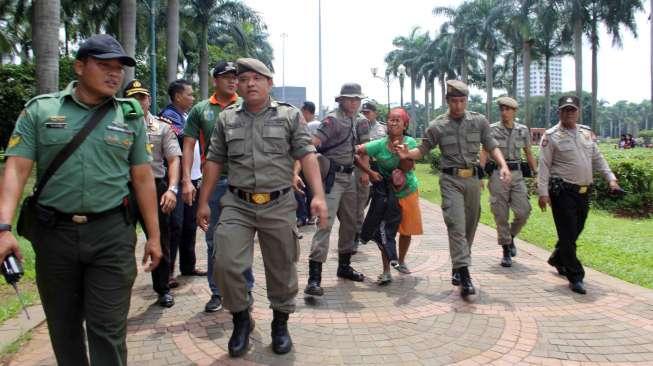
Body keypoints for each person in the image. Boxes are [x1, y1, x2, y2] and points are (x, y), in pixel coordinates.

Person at [0, 34, 161, 365]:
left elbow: (143, 179)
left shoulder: (130, 117)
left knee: (107, 328)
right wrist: (3, 228)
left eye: (119, 68)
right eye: (104, 66)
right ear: (79, 67)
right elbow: (16, 169)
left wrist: (155, 237)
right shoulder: (41, 110)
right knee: (64, 328)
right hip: (54, 234)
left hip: (111, 235)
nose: (114, 74)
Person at [196, 58, 327, 357]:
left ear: (270, 82)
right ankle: (241, 318)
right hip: (237, 204)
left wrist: (318, 195)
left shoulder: (290, 116)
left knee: (281, 268)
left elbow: (307, 155)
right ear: (238, 85)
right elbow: (214, 160)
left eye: (257, 78)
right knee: (225, 263)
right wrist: (203, 201)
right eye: (244, 79)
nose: (250, 83)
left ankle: (280, 324)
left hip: (279, 203)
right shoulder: (227, 119)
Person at [397, 80, 511, 297]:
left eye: (462, 101)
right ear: (447, 101)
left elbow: (491, 145)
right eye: (454, 101)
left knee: (470, 225)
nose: (458, 105)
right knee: (456, 224)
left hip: (473, 182)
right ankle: (465, 275)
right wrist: (407, 154)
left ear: (466, 101)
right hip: (451, 181)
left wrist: (503, 165)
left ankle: (458, 265)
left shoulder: (479, 121)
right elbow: (423, 149)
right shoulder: (437, 125)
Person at [181, 61, 255, 313]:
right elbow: (189, 145)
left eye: (236, 76)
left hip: (244, 183)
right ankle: (216, 291)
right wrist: (186, 181)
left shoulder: (247, 105)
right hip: (214, 184)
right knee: (214, 240)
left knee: (243, 239)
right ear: (216, 80)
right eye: (226, 76)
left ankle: (246, 289)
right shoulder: (201, 110)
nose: (233, 80)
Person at [537, 95, 621, 295]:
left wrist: (611, 178)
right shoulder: (551, 136)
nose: (569, 113)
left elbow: (598, 158)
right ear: (559, 112)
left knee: (576, 230)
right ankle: (575, 276)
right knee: (567, 235)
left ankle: (558, 258)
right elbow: (544, 166)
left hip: (584, 192)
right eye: (565, 110)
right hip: (563, 192)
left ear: (578, 112)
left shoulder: (586, 133)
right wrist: (543, 193)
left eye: (572, 110)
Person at [304, 83, 370, 297]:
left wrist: (366, 172)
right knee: (325, 223)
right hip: (332, 177)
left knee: (351, 223)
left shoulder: (361, 121)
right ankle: (314, 278)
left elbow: (364, 149)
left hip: (351, 176)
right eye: (350, 99)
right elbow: (313, 143)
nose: (354, 103)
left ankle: (344, 265)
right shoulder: (332, 120)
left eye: (357, 99)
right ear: (341, 100)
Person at [124, 80, 181, 307]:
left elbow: (173, 159)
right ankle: (119, 291)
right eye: (133, 97)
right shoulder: (114, 126)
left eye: (142, 97)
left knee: (160, 238)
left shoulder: (162, 127)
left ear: (148, 100)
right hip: (123, 189)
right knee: (121, 241)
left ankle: (163, 288)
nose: (139, 101)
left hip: (156, 187)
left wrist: (172, 188)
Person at [356, 108, 423, 284]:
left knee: (407, 230)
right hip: (386, 194)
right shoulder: (379, 144)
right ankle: (386, 270)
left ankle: (400, 260)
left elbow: (408, 168)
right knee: (385, 231)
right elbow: (358, 151)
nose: (393, 123)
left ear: (405, 125)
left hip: (407, 191)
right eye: (390, 120)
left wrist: (403, 155)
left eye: (397, 120)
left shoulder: (409, 142)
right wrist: (369, 172)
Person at [479, 97, 536, 267]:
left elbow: (529, 153)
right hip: (498, 174)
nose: (504, 112)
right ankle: (505, 250)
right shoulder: (492, 129)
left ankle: (510, 237)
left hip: (517, 174)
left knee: (523, 211)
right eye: (502, 109)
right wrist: (480, 174)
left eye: (508, 109)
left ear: (514, 111)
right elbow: (484, 152)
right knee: (500, 213)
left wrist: (536, 173)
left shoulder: (523, 130)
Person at [160, 79, 205, 283]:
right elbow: (180, 141)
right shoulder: (168, 117)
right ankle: (167, 272)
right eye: (189, 94)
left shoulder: (186, 116)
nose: (193, 98)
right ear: (178, 96)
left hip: (193, 178)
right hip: (177, 181)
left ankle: (188, 266)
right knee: (174, 226)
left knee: (189, 224)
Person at [354, 101, 386, 245]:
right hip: (361, 166)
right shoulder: (356, 125)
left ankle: (371, 232)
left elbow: (371, 147)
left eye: (368, 112)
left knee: (378, 205)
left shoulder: (380, 129)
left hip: (377, 168)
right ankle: (358, 232)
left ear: (375, 113)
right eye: (363, 112)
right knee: (358, 204)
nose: (365, 115)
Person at [295, 101, 318, 227]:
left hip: (305, 161)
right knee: (308, 189)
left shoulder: (310, 125)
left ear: (306, 111)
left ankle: (304, 216)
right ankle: (309, 215)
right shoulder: (315, 124)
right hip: (311, 162)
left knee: (301, 189)